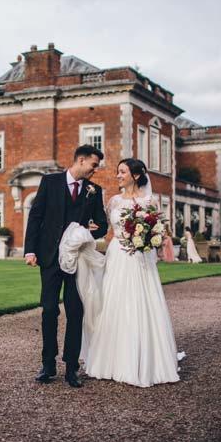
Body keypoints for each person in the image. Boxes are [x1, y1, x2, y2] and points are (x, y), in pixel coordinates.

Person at [77, 158, 183, 387]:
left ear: (135, 176)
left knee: (141, 302)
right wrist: (84, 231)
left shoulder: (150, 201)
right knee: (114, 302)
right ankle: (112, 360)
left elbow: (159, 231)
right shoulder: (114, 201)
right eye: (118, 171)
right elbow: (103, 227)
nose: (118, 175)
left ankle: (145, 360)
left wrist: (148, 239)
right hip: (117, 254)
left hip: (140, 258)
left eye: (122, 172)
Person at [24, 145, 108, 388]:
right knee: (49, 309)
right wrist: (30, 250)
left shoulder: (94, 191)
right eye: (93, 165)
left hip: (78, 260)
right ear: (81, 160)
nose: (95, 170)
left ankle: (72, 367)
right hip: (49, 258)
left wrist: (90, 231)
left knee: (75, 311)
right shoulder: (49, 182)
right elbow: (35, 217)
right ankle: (48, 364)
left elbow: (102, 225)